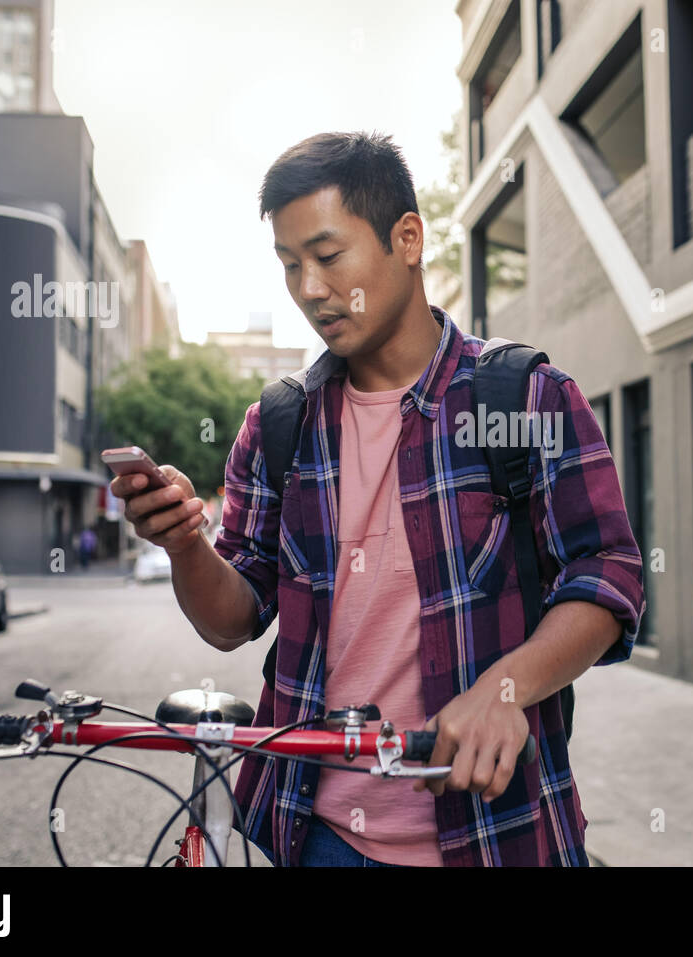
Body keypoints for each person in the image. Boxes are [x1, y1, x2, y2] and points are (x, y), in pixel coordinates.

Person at [110, 131, 644, 867]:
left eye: (328, 257)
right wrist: (183, 544)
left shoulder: (523, 395)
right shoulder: (280, 424)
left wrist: (509, 685)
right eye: (290, 266)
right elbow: (232, 620)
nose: (309, 288)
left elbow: (609, 573)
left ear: (408, 239)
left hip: (501, 833)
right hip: (315, 833)